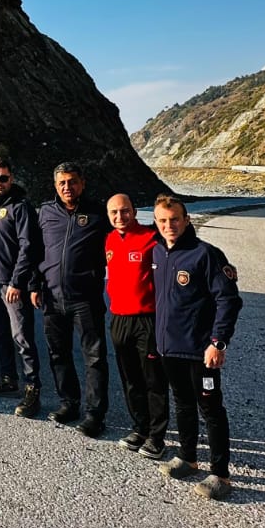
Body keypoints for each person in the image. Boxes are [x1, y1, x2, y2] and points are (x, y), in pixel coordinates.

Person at [152, 195, 242, 500]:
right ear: (156, 222)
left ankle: (220, 474)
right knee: (183, 403)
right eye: (162, 221)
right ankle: (188, 458)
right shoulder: (158, 252)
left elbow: (228, 300)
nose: (169, 226)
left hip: (200, 351)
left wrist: (218, 342)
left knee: (211, 410)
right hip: (169, 349)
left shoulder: (206, 255)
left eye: (174, 219)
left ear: (186, 219)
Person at [34, 162, 109, 436]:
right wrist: (34, 284)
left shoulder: (99, 213)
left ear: (83, 183)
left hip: (85, 299)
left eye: (73, 181)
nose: (68, 187)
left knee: (94, 357)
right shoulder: (45, 212)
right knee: (58, 353)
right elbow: (35, 249)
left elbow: (126, 236)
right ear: (55, 186)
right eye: (62, 183)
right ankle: (69, 403)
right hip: (52, 298)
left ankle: (94, 414)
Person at [105, 193, 168, 459]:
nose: (120, 217)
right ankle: (139, 428)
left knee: (153, 379)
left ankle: (157, 436)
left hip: (147, 319)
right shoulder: (108, 239)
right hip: (119, 318)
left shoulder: (152, 238)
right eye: (114, 213)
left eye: (125, 211)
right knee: (130, 378)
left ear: (134, 211)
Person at [0, 157, 42, 417]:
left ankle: (33, 389)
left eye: (3, 178)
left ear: (11, 179)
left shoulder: (21, 207)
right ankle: (8, 379)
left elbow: (29, 247)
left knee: (23, 338)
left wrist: (17, 282)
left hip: (12, 287)